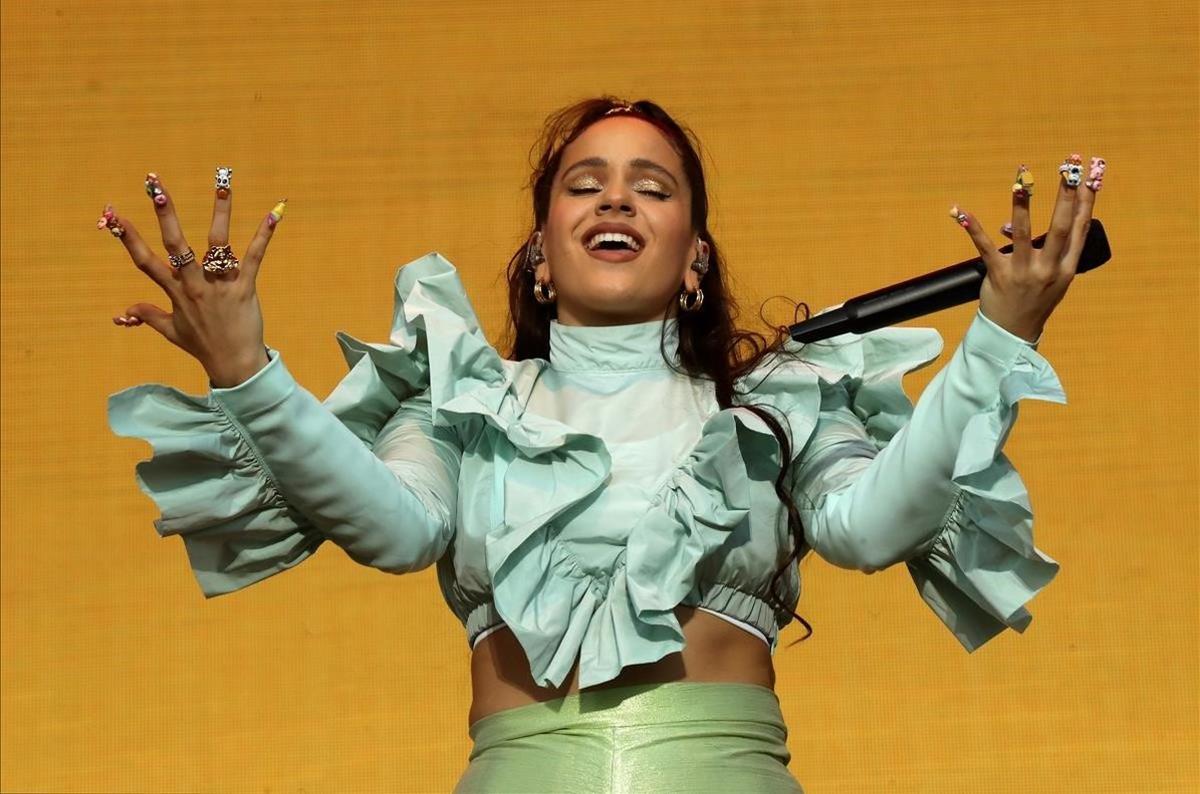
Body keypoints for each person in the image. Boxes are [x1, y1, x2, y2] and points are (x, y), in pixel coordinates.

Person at [104, 97, 1102, 793]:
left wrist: (1000, 338)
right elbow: (395, 529)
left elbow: (871, 524)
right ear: (540, 251)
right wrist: (247, 368)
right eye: (585, 183)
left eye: (652, 187)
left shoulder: (778, 399)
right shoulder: (464, 399)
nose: (615, 199)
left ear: (695, 253)